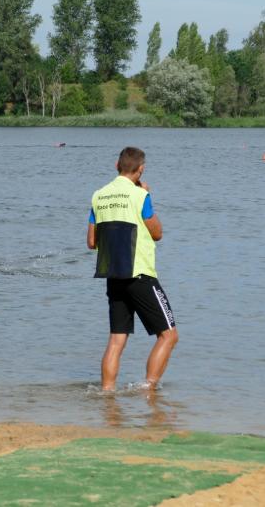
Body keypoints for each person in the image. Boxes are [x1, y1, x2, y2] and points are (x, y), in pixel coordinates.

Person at [87, 146, 178, 392]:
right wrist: (146, 194)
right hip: (140, 275)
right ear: (141, 170)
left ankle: (107, 393)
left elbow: (92, 242)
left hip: (113, 275)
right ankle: (148, 391)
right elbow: (157, 233)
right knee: (169, 335)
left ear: (117, 166)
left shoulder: (98, 196)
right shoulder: (140, 196)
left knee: (117, 339)